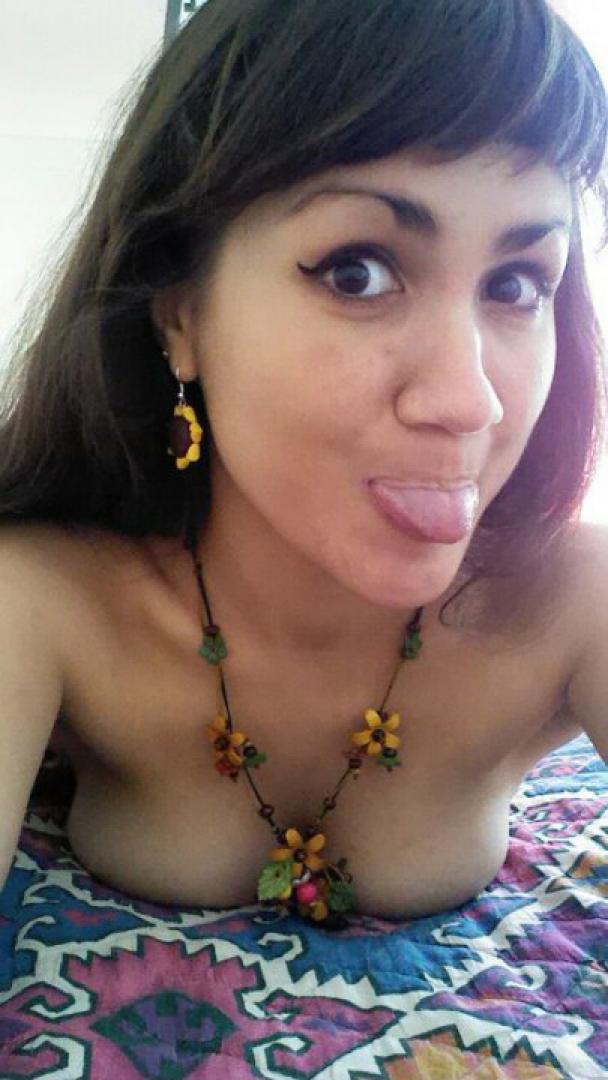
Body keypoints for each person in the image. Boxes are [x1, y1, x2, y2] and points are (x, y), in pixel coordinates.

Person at [0, 0, 607, 928]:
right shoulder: (42, 602)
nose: (470, 400)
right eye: (358, 271)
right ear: (180, 313)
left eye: (517, 284)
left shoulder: (574, 604)